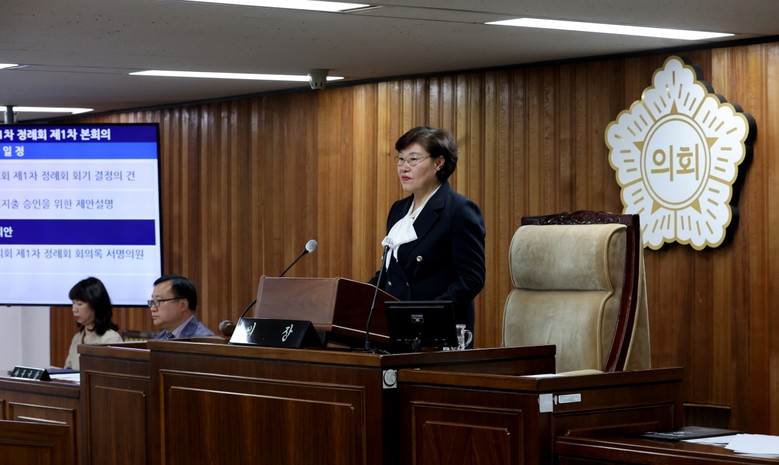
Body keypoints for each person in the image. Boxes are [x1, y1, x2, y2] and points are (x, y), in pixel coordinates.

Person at [370, 126, 486, 338]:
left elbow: (471, 279)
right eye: (401, 159)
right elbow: (390, 274)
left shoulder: (459, 210)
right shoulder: (398, 210)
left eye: (413, 159)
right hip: (395, 330)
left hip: (437, 332)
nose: (404, 167)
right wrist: (353, 297)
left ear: (438, 163)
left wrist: (427, 315)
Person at [64, 277, 123, 370]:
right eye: (73, 303)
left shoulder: (111, 339)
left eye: (79, 304)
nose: (74, 309)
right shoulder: (77, 338)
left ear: (96, 305)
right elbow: (68, 370)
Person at [148, 274, 214, 339]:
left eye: (158, 301)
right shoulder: (159, 338)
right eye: (152, 301)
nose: (152, 308)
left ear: (183, 305)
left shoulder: (203, 340)